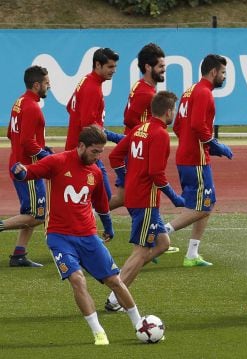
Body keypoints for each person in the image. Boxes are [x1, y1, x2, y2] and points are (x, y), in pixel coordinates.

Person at [11, 126, 143, 345]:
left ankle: (139, 324)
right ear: (81, 146)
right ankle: (98, 332)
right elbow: (31, 172)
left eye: (101, 152)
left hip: (88, 236)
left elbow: (101, 204)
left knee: (115, 281)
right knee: (77, 279)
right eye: (94, 151)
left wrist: (108, 227)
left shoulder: (96, 173)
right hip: (59, 236)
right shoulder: (58, 162)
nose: (98, 157)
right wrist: (21, 171)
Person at [104, 91, 185, 312]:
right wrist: (176, 198)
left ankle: (118, 285)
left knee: (162, 243)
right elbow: (156, 173)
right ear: (168, 111)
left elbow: (114, 157)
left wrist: (126, 177)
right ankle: (115, 298)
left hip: (135, 196)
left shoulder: (139, 128)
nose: (175, 114)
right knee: (141, 251)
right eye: (174, 110)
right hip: (145, 200)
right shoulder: (160, 134)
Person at [164, 54, 233, 267]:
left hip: (187, 156)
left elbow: (177, 126)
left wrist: (189, 142)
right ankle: (160, 233)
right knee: (203, 207)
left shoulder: (190, 91)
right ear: (213, 72)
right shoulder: (204, 93)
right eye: (222, 72)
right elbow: (197, 125)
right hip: (196, 159)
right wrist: (214, 144)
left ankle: (192, 253)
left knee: (206, 203)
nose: (224, 77)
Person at [1, 65, 50, 267]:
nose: (49, 86)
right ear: (36, 84)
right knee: (38, 215)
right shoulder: (31, 107)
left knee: (30, 212)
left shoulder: (19, 103)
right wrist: (47, 157)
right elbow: (27, 143)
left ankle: (19, 254)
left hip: (19, 164)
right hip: (28, 169)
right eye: (46, 83)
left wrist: (44, 149)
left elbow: (11, 135)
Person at [109, 43, 167, 212]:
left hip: (135, 147)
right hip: (137, 151)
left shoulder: (141, 86)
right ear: (148, 67)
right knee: (143, 195)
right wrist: (146, 136)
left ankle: (83, 214)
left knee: (123, 197)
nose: (164, 69)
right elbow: (129, 119)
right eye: (161, 66)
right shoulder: (146, 94)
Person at [65, 47, 124, 202]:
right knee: (102, 197)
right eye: (110, 67)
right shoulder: (93, 88)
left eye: (115, 67)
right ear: (98, 65)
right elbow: (88, 127)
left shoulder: (86, 80)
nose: (114, 70)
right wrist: (116, 137)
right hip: (84, 152)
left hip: (81, 149)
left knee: (97, 198)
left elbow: (69, 106)